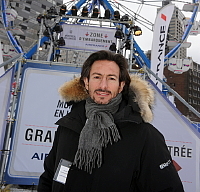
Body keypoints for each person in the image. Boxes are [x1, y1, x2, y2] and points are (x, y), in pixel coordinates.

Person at [38, 50, 184, 192]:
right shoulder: (68, 127)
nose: (103, 85)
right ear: (86, 82)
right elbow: (49, 178)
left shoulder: (144, 135)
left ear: (121, 86)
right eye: (97, 77)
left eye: (111, 78)